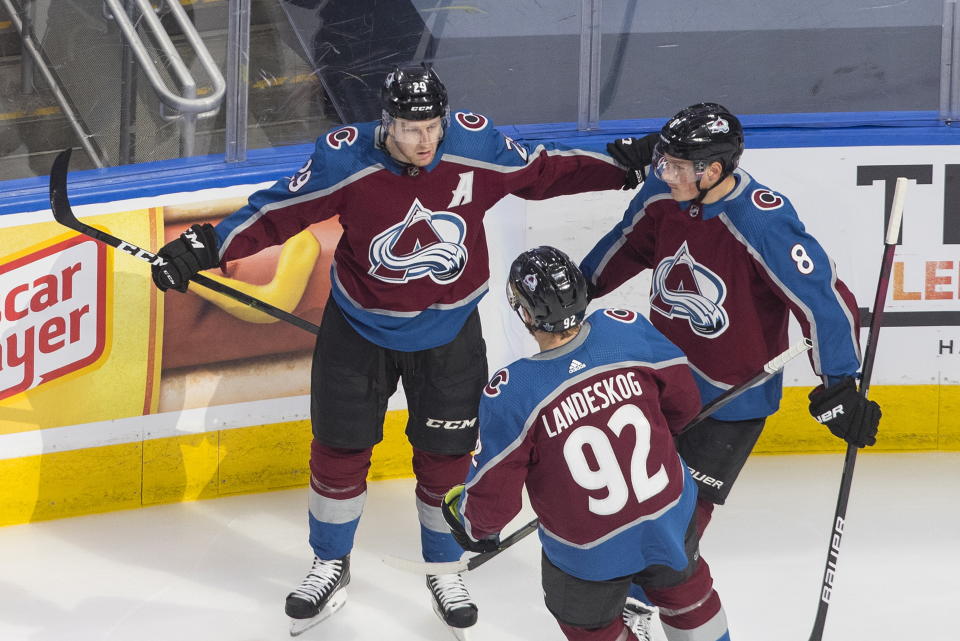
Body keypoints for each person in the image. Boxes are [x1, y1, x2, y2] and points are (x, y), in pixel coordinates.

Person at [149, 64, 645, 637]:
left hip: (449, 337)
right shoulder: (345, 159)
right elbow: (275, 212)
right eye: (412, 129)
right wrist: (203, 245)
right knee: (339, 451)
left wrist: (622, 164)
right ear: (386, 123)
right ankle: (329, 563)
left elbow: (542, 169)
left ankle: (443, 567)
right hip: (358, 332)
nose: (426, 140)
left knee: (446, 458)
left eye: (434, 126)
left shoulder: (474, 145)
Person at [581, 103, 881, 613]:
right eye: (663, 162)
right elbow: (629, 244)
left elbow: (822, 299)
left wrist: (838, 383)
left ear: (713, 171)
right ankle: (626, 586)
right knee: (638, 494)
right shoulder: (665, 193)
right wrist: (582, 288)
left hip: (733, 394)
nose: (663, 173)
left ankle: (641, 605)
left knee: (686, 512)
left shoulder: (759, 219)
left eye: (675, 166)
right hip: (663, 375)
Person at [442, 246, 731, 641]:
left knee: (592, 630)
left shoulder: (514, 393)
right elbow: (684, 404)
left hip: (587, 552)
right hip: (670, 517)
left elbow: (494, 501)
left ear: (525, 314)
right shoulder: (626, 330)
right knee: (691, 599)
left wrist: (473, 525)